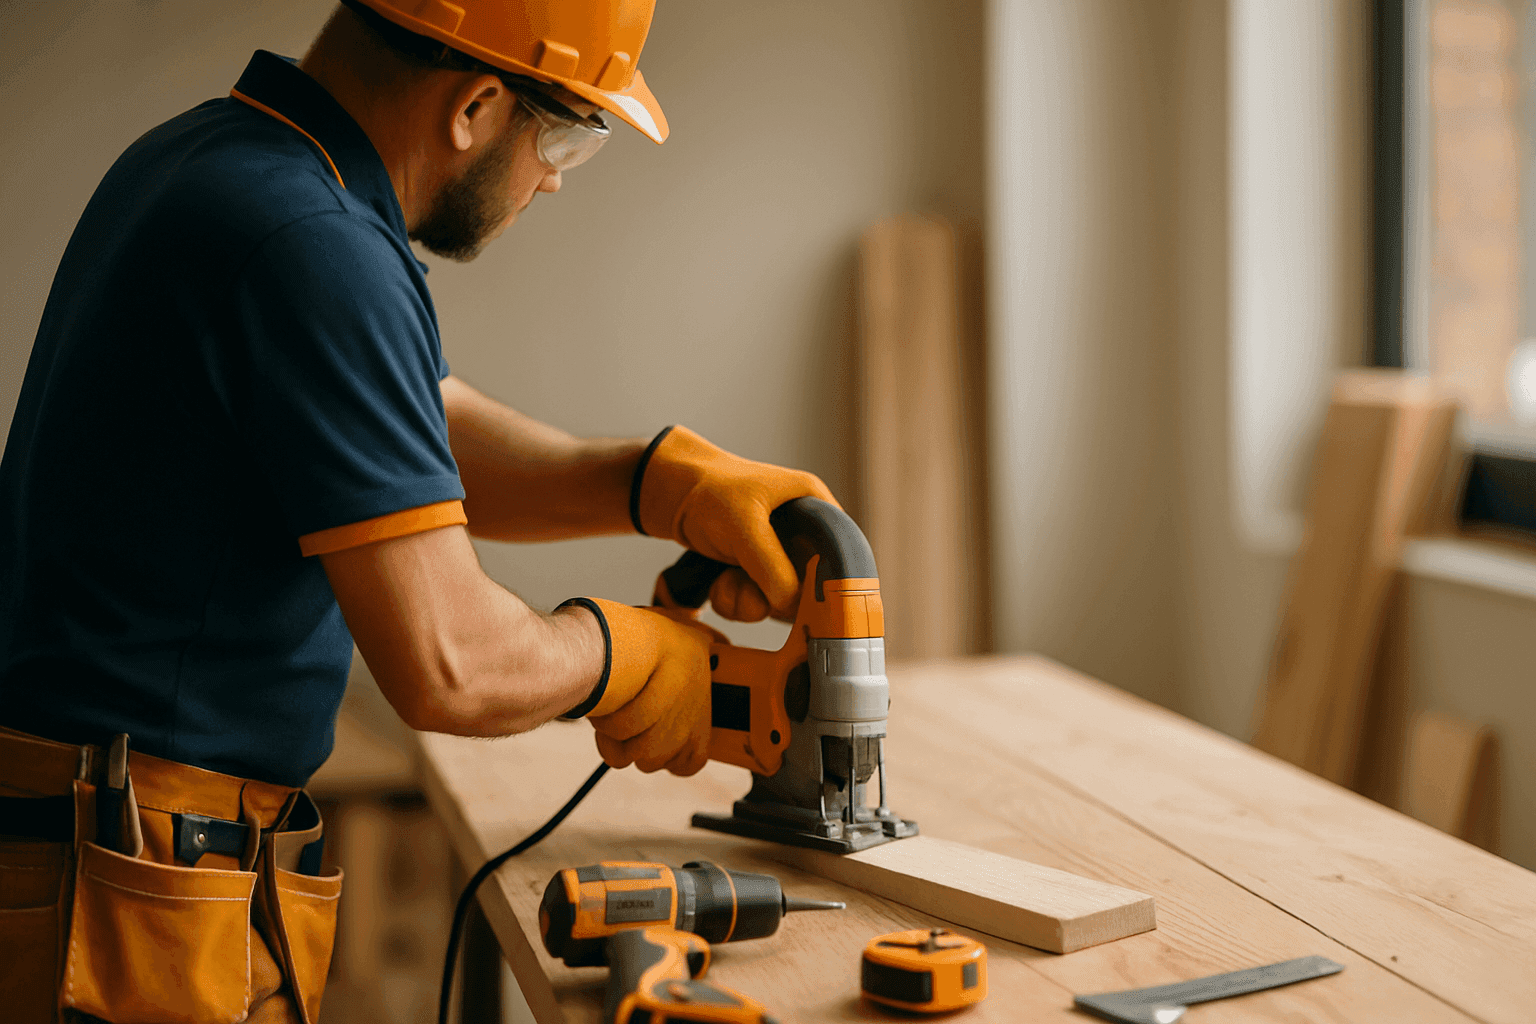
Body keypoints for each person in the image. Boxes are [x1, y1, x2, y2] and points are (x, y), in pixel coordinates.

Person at [0, 2, 835, 1021]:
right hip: (129, 893)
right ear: (476, 104)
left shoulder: (219, 165)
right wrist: (636, 659)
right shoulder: (316, 242)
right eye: (565, 130)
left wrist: (655, 481)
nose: (559, 174)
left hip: (93, 852)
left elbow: (403, 439)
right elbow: (450, 662)